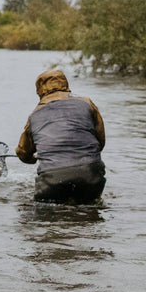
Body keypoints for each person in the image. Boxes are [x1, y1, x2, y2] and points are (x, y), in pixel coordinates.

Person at [15, 68, 106, 204]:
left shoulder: (34, 115)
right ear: (65, 85)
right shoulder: (87, 103)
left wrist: (32, 159)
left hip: (53, 179)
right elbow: (100, 141)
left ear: (40, 90)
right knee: (90, 207)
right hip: (91, 174)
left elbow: (23, 152)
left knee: (31, 209)